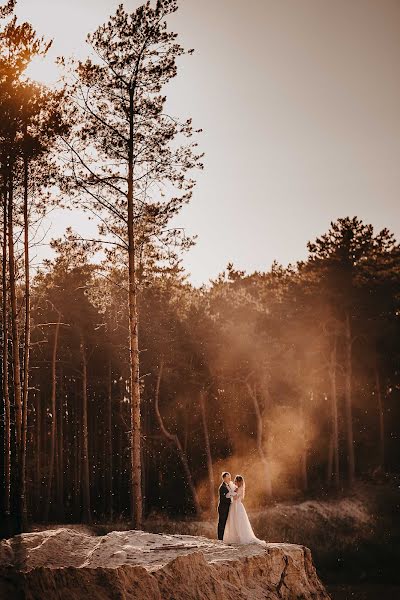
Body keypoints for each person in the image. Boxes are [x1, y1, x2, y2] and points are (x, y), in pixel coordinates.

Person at [222, 475, 267, 546]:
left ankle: (241, 537)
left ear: (239, 482)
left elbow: (236, 498)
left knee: (239, 521)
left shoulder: (240, 489)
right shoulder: (236, 488)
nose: (235, 482)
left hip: (238, 507)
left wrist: (232, 493)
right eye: (235, 481)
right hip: (234, 506)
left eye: (236, 481)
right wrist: (232, 492)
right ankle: (234, 538)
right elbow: (232, 496)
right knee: (233, 521)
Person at [217, 471, 236, 540]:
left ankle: (223, 538)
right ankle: (220, 539)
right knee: (222, 523)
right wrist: (230, 501)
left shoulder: (228, 486)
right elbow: (223, 499)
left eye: (230, 478)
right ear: (224, 478)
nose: (230, 479)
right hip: (223, 508)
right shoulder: (222, 487)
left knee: (225, 523)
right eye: (228, 478)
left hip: (227, 507)